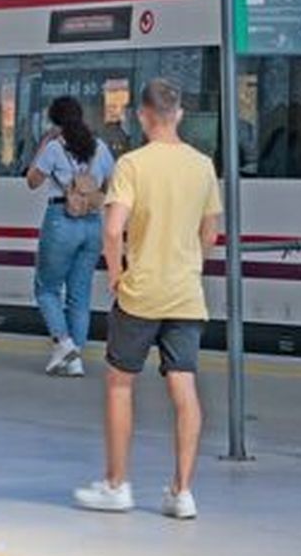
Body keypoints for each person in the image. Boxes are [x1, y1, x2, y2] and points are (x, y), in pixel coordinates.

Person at [75, 78, 220, 520]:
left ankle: (117, 485)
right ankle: (182, 492)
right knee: (184, 386)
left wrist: (118, 275)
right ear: (178, 115)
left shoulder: (132, 165)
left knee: (121, 384)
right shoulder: (202, 165)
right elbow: (210, 231)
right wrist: (191, 263)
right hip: (184, 293)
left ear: (141, 115)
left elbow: (113, 228)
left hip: (140, 293)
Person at [26, 97, 115, 377]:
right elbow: (111, 184)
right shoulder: (100, 147)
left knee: (46, 288)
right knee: (80, 295)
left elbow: (32, 181)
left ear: (55, 121)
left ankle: (63, 343)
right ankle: (74, 360)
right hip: (92, 223)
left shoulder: (54, 147)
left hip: (62, 220)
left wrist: (44, 142)